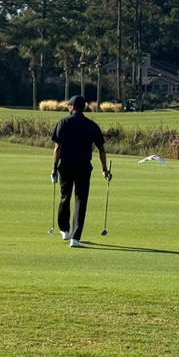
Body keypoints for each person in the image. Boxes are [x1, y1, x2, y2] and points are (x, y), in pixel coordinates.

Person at [51, 95, 111, 248]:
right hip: (83, 166)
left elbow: (58, 148)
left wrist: (54, 169)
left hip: (66, 166)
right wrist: (104, 170)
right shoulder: (91, 125)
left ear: (72, 107)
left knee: (65, 196)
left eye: (69, 105)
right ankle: (75, 238)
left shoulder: (63, 122)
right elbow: (101, 150)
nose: (68, 107)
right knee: (81, 200)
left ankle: (64, 230)